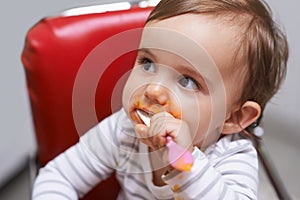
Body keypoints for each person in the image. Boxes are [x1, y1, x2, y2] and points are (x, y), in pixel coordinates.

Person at [32, 0, 288, 199]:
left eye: (188, 81)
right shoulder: (124, 129)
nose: (153, 90)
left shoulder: (232, 158)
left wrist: (186, 164)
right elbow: (58, 176)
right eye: (148, 62)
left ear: (233, 117)